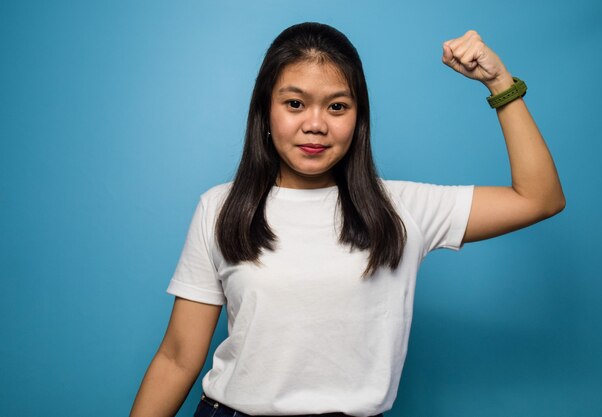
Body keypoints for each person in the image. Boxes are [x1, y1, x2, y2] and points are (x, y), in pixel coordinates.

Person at [129, 22, 565, 417]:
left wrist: (499, 83)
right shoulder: (220, 208)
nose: (315, 124)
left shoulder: (402, 208)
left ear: (359, 120)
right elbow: (177, 358)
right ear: (265, 111)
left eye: (337, 107)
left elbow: (539, 198)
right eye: (295, 103)